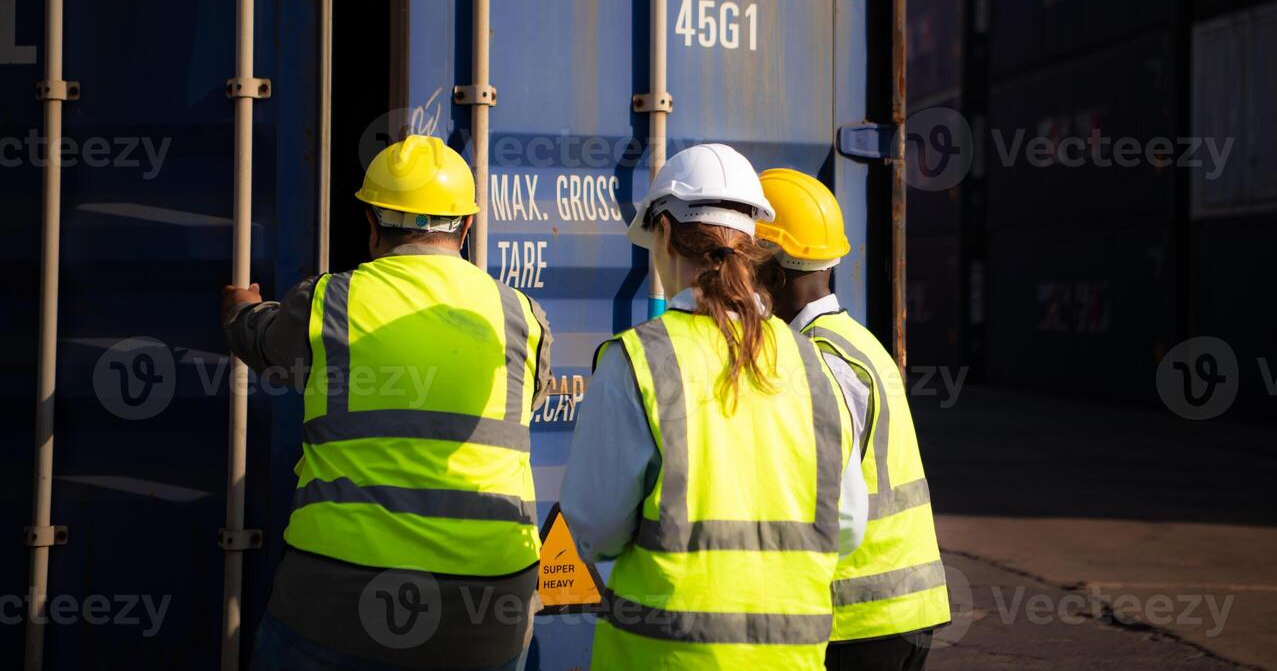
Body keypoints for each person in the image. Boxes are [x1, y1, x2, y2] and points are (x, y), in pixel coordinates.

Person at [221, 135, 553, 671]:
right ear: (466, 227)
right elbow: (526, 399)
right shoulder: (522, 316)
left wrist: (240, 311)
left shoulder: (330, 301)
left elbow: (263, 342)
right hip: (489, 607)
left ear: (372, 225)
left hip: (338, 598)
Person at [560, 143, 874, 669]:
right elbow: (847, 525)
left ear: (662, 234)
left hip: (665, 657)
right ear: (754, 242)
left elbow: (594, 526)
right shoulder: (813, 364)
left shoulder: (637, 361)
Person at [756, 169, 949, 671]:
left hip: (859, 618)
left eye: (749, 268)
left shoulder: (813, 360)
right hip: (902, 605)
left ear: (774, 277)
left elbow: (827, 495)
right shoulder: (861, 342)